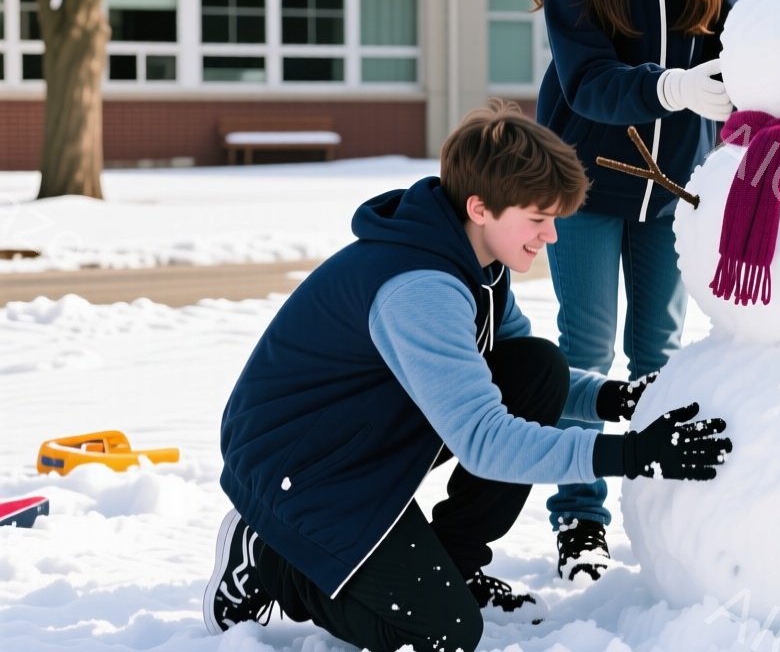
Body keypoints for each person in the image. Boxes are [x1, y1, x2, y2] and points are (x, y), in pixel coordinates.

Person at [204, 99, 732, 652]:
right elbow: (484, 439)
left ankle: (455, 564)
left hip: (362, 440)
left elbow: (520, 379)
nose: (551, 237)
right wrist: (630, 455)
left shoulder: (475, 261)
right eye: (537, 219)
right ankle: (270, 558)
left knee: (536, 367)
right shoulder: (419, 290)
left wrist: (614, 399)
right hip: (303, 472)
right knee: (442, 632)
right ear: (481, 208)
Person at [527, 0, 744, 580]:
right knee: (586, 355)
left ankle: (659, 510)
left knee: (660, 354)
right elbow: (585, 82)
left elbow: (742, 56)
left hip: (675, 192)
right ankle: (578, 519)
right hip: (586, 184)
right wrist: (673, 87)